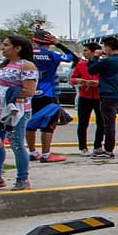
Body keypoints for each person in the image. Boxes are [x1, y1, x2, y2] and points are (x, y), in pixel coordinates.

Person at [0, 35, 39, 190]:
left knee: (17, 144)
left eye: (6, 45)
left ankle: (22, 179)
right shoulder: (5, 65)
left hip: (16, 111)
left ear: (18, 48)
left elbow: (29, 91)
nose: (3, 48)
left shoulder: (27, 66)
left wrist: (4, 93)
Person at [26, 32, 78, 164]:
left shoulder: (27, 53)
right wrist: (58, 44)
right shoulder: (52, 55)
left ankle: (32, 152)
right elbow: (73, 58)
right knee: (48, 124)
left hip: (29, 91)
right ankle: (46, 154)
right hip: (47, 93)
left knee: (30, 123)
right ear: (50, 41)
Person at [71, 42, 103, 155]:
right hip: (85, 96)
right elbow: (72, 78)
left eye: (86, 50)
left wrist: (98, 83)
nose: (84, 53)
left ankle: (98, 145)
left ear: (94, 52)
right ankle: (83, 147)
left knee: (101, 122)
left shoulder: (102, 64)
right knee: (83, 123)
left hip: (99, 96)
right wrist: (78, 81)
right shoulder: (81, 65)